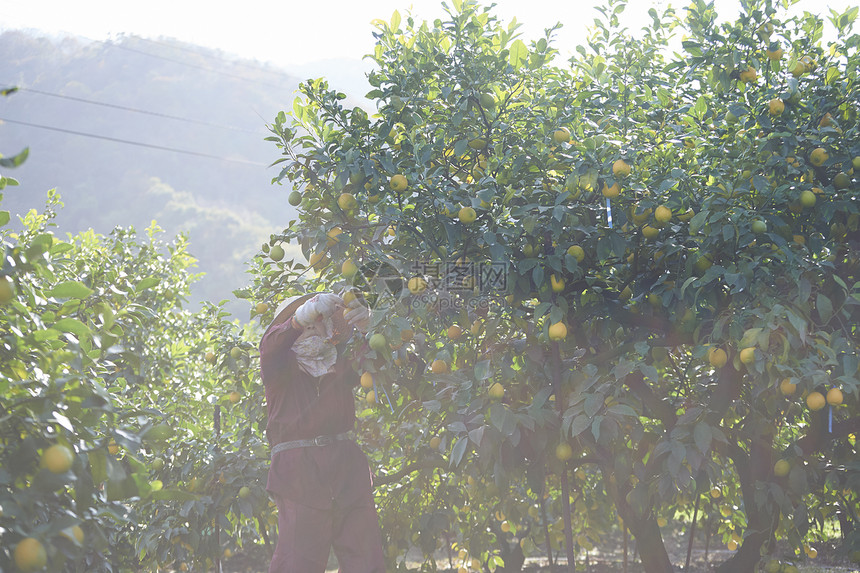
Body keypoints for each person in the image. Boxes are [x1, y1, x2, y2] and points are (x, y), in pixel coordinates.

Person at [259, 291, 386, 573]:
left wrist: (369, 327)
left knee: (365, 559)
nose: (311, 328)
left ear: (329, 331)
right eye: (304, 326)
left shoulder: (338, 364)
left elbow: (375, 360)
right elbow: (270, 346)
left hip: (347, 469)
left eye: (318, 324)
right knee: (298, 562)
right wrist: (302, 316)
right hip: (298, 472)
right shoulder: (279, 367)